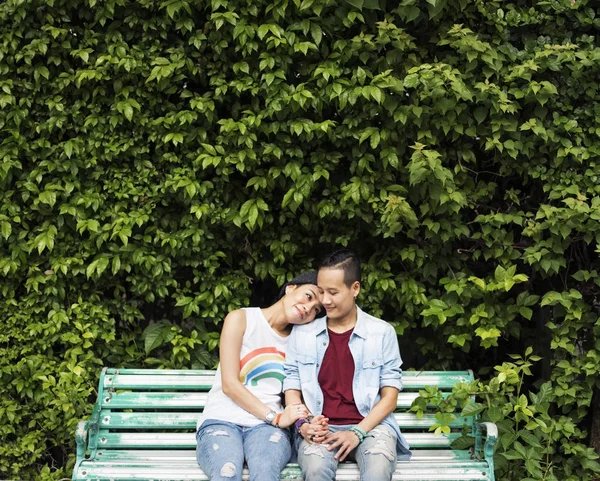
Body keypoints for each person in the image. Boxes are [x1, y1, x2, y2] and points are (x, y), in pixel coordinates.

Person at [283, 250, 412, 481]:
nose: (325, 300)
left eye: (333, 292)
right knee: (315, 469)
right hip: (320, 427)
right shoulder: (302, 334)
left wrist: (357, 432)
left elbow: (389, 397)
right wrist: (304, 424)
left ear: (355, 288)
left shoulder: (382, 333)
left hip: (371, 427)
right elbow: (292, 385)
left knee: (377, 468)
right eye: (321, 291)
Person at [196, 271, 323, 481]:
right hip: (222, 420)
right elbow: (229, 384)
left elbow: (299, 392)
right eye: (309, 296)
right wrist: (276, 417)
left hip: (266, 430)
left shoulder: (300, 341)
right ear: (291, 287)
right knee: (226, 472)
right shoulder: (241, 318)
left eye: (316, 310)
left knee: (265, 472)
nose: (308, 308)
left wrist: (305, 420)